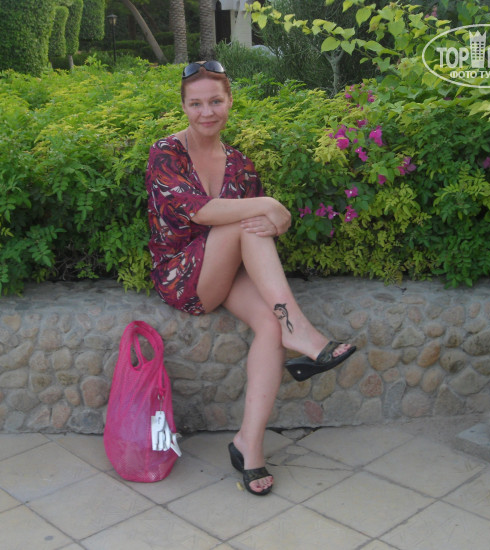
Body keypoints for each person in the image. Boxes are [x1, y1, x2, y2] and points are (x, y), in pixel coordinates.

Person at [145, 61, 356, 496]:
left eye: (215, 101)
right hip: (183, 274)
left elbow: (263, 228)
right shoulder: (165, 152)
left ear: (229, 102)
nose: (207, 112)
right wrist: (271, 205)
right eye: (196, 104)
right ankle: (301, 330)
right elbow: (201, 212)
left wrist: (277, 218)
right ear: (183, 107)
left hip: (228, 269)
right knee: (244, 221)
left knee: (269, 326)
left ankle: (249, 446)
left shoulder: (240, 164)